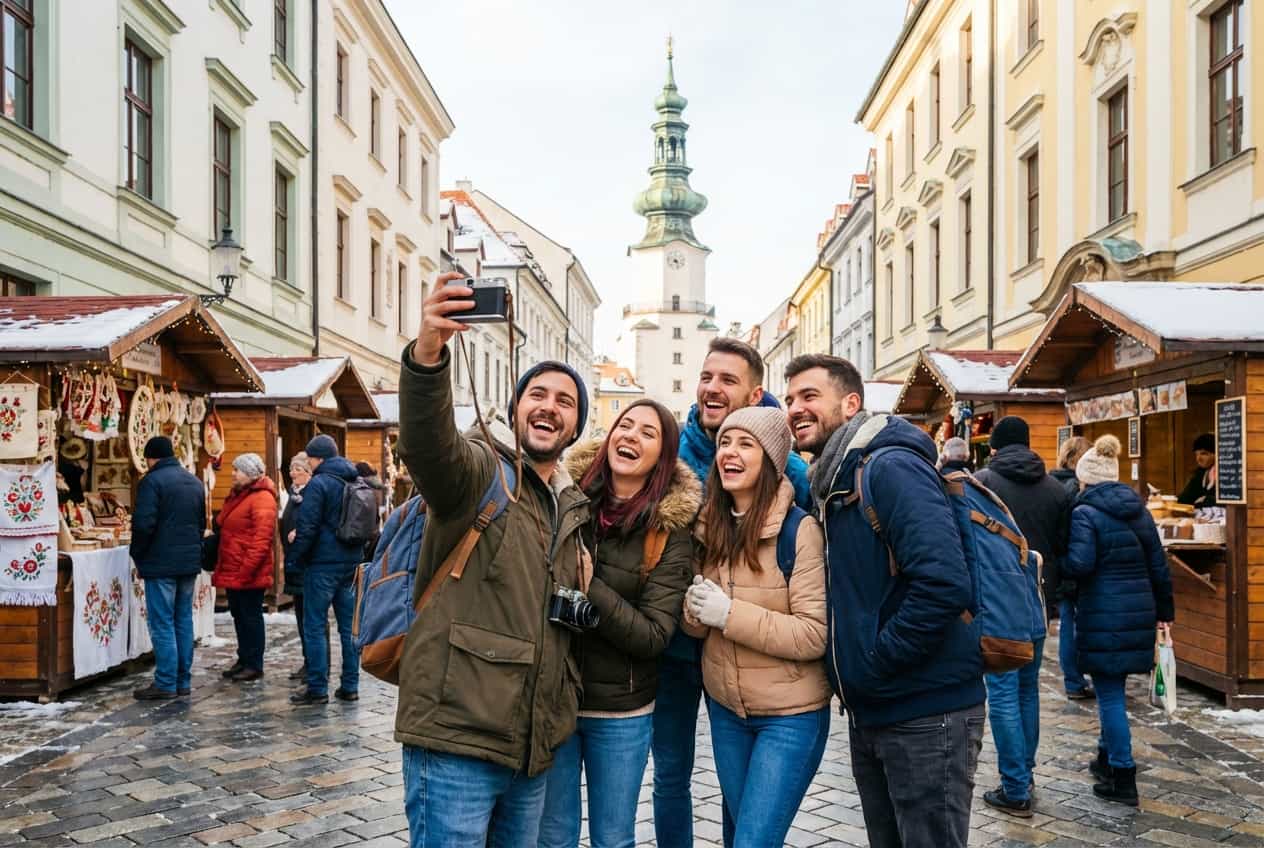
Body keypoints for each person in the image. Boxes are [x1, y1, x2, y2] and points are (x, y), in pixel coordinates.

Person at [395, 274, 591, 847]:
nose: (550, 408)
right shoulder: (480, 471)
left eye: (565, 401)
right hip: (457, 737)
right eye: (538, 395)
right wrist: (429, 351)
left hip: (529, 746)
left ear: (575, 425)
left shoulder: (572, 508)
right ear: (515, 408)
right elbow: (427, 445)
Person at [785, 354, 984, 848]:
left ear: (851, 403)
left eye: (809, 396)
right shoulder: (832, 481)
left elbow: (942, 583)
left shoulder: (889, 467)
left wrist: (876, 662)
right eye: (789, 399)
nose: (795, 408)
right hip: (877, 708)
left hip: (924, 708)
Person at [656, 336, 812, 848]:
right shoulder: (669, 453)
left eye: (728, 380)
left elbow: (811, 570)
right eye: (707, 377)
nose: (712, 388)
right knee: (672, 774)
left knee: (742, 794)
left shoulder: (787, 468)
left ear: (754, 395)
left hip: (755, 655)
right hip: (679, 649)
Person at [538, 400, 699, 848]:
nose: (631, 436)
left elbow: (652, 636)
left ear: (662, 457)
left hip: (621, 711)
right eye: (625, 425)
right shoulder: (564, 502)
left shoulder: (670, 531)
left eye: (649, 433)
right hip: (555, 696)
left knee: (613, 839)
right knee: (553, 838)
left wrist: (590, 589)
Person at [681, 406, 830, 847]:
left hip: (790, 718)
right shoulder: (709, 527)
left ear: (770, 459)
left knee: (752, 842)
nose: (730, 451)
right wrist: (694, 612)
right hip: (727, 711)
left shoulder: (799, 531)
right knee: (736, 834)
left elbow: (813, 634)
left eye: (746, 444)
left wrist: (727, 614)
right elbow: (697, 632)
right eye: (725, 442)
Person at [1065, 434, 1174, 806]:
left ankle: (1123, 775)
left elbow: (1080, 564)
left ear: (1087, 478)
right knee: (1115, 689)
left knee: (1110, 694)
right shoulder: (1139, 510)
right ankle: (1104, 758)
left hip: (1103, 611)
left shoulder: (1085, 513)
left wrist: (1059, 569)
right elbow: (1159, 566)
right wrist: (1164, 613)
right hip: (1138, 610)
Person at [972, 417, 1068, 816]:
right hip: (1038, 603)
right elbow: (1064, 549)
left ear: (993, 447)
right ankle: (1024, 775)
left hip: (998, 605)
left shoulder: (983, 483)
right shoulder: (1057, 489)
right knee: (1027, 693)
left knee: (1004, 696)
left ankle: (1015, 788)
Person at [128, 436, 206, 700]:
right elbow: (198, 524)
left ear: (152, 458)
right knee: (183, 620)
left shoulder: (151, 482)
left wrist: (137, 555)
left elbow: (143, 525)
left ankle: (165, 682)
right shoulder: (193, 482)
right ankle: (182, 680)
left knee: (162, 623)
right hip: (188, 562)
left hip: (161, 563)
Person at [288, 434, 362, 706]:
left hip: (322, 566)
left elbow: (307, 528)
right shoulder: (355, 478)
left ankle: (317, 688)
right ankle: (350, 685)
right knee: (348, 628)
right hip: (351, 563)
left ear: (319, 458)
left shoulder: (319, 484)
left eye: (310, 459)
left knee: (315, 626)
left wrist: (295, 560)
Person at [210, 453, 277, 682]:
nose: (233, 474)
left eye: (237, 470)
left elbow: (261, 540)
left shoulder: (262, 499)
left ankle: (254, 663)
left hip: (248, 571)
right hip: (233, 567)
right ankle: (244, 658)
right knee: (239, 615)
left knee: (251, 617)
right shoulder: (239, 495)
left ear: (250, 474)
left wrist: (246, 571)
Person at [1050, 436, 1094, 701]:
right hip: (1074, 561)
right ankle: (1075, 680)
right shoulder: (1075, 488)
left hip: (1060, 561)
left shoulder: (1051, 483)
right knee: (1074, 622)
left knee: (1068, 621)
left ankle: (1073, 678)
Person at [280, 452, 320, 681]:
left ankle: (315, 665)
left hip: (307, 566)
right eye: (292, 469)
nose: (293, 473)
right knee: (300, 616)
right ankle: (308, 662)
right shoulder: (293, 497)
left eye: (299, 470)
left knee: (311, 619)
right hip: (294, 564)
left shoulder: (311, 496)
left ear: (309, 473)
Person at [1177, 433, 1218, 507]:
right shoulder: (1200, 473)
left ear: (1216, 453)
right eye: (1196, 454)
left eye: (1204, 454)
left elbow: (1230, 500)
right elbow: (1185, 498)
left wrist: (1207, 500)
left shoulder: (1226, 473)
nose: (1198, 459)